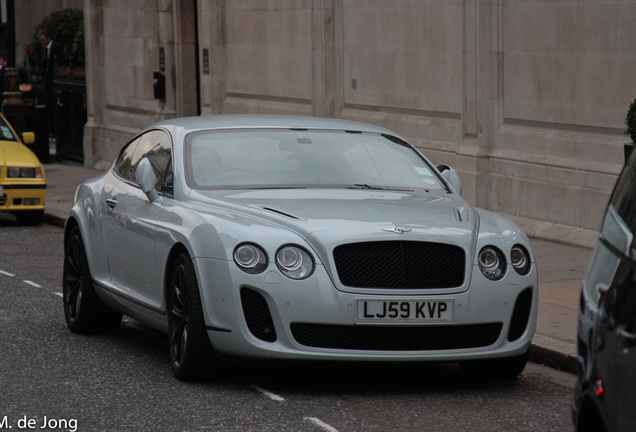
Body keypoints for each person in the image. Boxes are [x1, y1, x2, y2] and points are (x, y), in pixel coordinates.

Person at [38, 29, 63, 138]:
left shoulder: (57, 47)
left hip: (55, 79)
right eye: (40, 41)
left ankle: (56, 130)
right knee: (48, 105)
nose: (42, 42)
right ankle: (51, 129)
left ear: (49, 38)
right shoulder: (43, 49)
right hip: (47, 80)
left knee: (54, 106)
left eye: (43, 40)